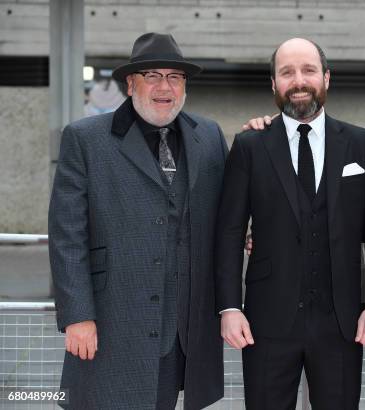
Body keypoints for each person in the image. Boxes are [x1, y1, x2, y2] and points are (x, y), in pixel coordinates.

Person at [48, 33, 227, 409]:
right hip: (113, 322)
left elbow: (230, 208)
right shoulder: (85, 138)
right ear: (131, 84)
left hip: (182, 332)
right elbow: (67, 236)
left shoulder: (208, 136)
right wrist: (78, 316)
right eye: (152, 76)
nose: (165, 87)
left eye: (175, 77)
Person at [214, 37, 365, 409]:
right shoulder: (249, 146)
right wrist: (230, 307)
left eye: (309, 70)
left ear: (326, 78)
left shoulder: (362, 144)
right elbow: (230, 232)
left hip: (342, 321)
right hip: (267, 321)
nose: (299, 80)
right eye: (287, 72)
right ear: (274, 84)